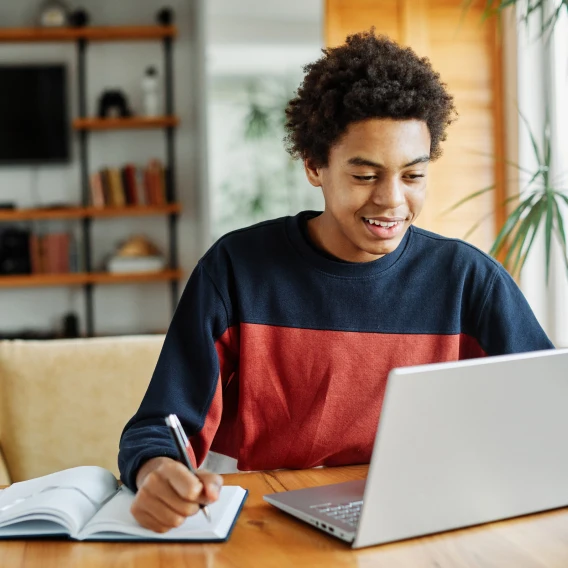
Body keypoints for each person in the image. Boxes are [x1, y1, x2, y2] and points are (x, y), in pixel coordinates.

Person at [118, 30, 553, 533]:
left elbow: (547, 419)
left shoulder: (468, 281)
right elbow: (158, 427)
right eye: (365, 175)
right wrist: (158, 471)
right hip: (261, 520)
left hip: (415, 520)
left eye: (413, 176)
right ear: (314, 166)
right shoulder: (237, 268)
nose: (392, 201)